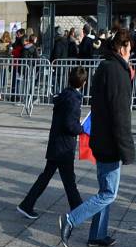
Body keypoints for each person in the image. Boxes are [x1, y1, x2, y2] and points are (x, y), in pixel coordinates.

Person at [59, 27, 135, 247]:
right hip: (110, 140)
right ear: (123, 48)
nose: (130, 53)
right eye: (130, 49)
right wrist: (126, 148)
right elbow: (120, 114)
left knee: (105, 190)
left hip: (101, 137)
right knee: (109, 193)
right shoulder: (117, 72)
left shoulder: (105, 66)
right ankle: (71, 219)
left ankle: (97, 234)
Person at [18, 66, 87, 219]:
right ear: (84, 83)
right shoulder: (73, 100)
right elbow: (70, 125)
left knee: (50, 176)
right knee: (68, 180)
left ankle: (27, 204)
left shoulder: (64, 95)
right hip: (64, 146)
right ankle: (78, 209)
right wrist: (81, 129)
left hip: (57, 143)